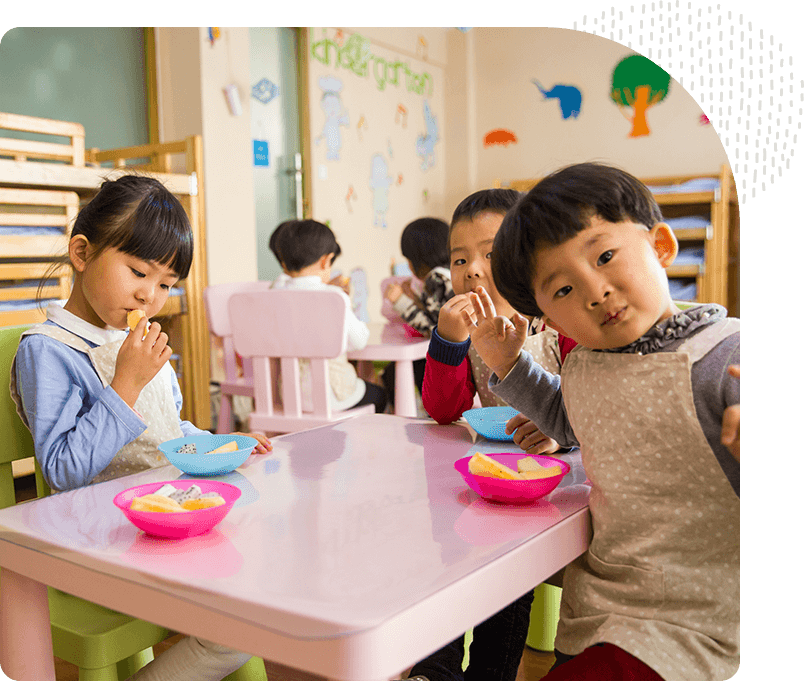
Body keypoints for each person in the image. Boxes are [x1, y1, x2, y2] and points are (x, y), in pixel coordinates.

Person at [463, 162, 740, 680]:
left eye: (605, 256)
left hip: (697, 618)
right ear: (545, 317)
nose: (594, 291)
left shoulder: (722, 354)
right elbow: (569, 420)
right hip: (598, 602)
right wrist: (509, 364)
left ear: (660, 245)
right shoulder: (586, 362)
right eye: (562, 290)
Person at [11, 174, 271, 681]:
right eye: (138, 272)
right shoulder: (48, 350)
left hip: (160, 518)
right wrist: (124, 384)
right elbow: (63, 469)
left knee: (264, 569)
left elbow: (165, 433)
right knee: (240, 623)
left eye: (166, 284)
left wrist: (219, 442)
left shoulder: (139, 340)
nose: (150, 296)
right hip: (99, 539)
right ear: (82, 254)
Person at [422, 188, 577, 454]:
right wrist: (448, 343)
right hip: (497, 458)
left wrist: (561, 436)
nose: (471, 270)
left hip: (570, 466)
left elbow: (596, 407)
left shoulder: (559, 323)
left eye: (491, 254)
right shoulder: (468, 332)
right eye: (460, 260)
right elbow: (444, 412)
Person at [272, 219, 388, 414]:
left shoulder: (273, 295)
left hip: (289, 397)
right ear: (326, 260)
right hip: (332, 397)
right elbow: (359, 341)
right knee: (379, 395)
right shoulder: (334, 297)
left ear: (283, 262)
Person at [382, 217, 453, 404]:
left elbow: (432, 329)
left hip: (450, 356)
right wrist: (413, 298)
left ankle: (418, 414)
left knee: (394, 373)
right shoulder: (448, 274)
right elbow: (436, 314)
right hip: (459, 351)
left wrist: (400, 301)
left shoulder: (435, 278)